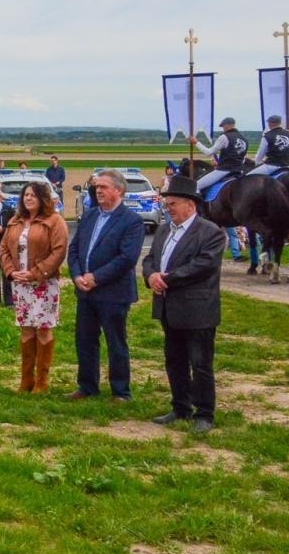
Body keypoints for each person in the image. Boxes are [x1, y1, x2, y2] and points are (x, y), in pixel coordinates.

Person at [142, 175, 227, 432]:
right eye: (167, 204)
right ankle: (180, 407)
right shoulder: (166, 230)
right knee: (174, 360)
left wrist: (166, 278)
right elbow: (150, 258)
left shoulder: (210, 232)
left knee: (200, 363)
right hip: (169, 307)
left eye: (173, 203)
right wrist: (151, 275)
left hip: (198, 309)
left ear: (190, 204)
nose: (168, 208)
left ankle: (204, 414)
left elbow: (203, 265)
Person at [65, 168, 146, 403]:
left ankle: (120, 391)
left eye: (103, 187)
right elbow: (74, 249)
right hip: (85, 291)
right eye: (97, 187)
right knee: (85, 340)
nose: (98, 191)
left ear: (118, 190)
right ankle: (87, 385)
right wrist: (77, 275)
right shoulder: (90, 215)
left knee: (115, 342)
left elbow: (127, 258)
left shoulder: (132, 221)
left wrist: (95, 278)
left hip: (113, 292)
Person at [0, 182, 69, 393]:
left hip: (43, 284)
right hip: (20, 284)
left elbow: (58, 251)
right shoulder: (15, 220)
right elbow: (3, 248)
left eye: (33, 195)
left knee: (43, 329)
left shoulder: (55, 221)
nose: (28, 198)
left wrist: (35, 273)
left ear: (43, 198)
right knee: (26, 329)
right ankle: (26, 379)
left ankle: (42, 380)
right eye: (26, 195)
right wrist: (11, 271)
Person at [194, 117, 249, 195]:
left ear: (226, 126)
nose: (223, 129)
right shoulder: (244, 139)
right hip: (239, 171)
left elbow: (209, 152)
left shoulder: (224, 137)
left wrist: (196, 143)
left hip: (223, 170)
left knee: (196, 186)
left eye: (223, 127)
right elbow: (242, 159)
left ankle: (199, 206)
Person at [249, 115, 289, 179]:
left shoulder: (267, 135)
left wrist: (257, 163)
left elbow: (261, 153)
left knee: (248, 177)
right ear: (280, 123)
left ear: (270, 123)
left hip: (271, 166)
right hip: (288, 166)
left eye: (268, 123)